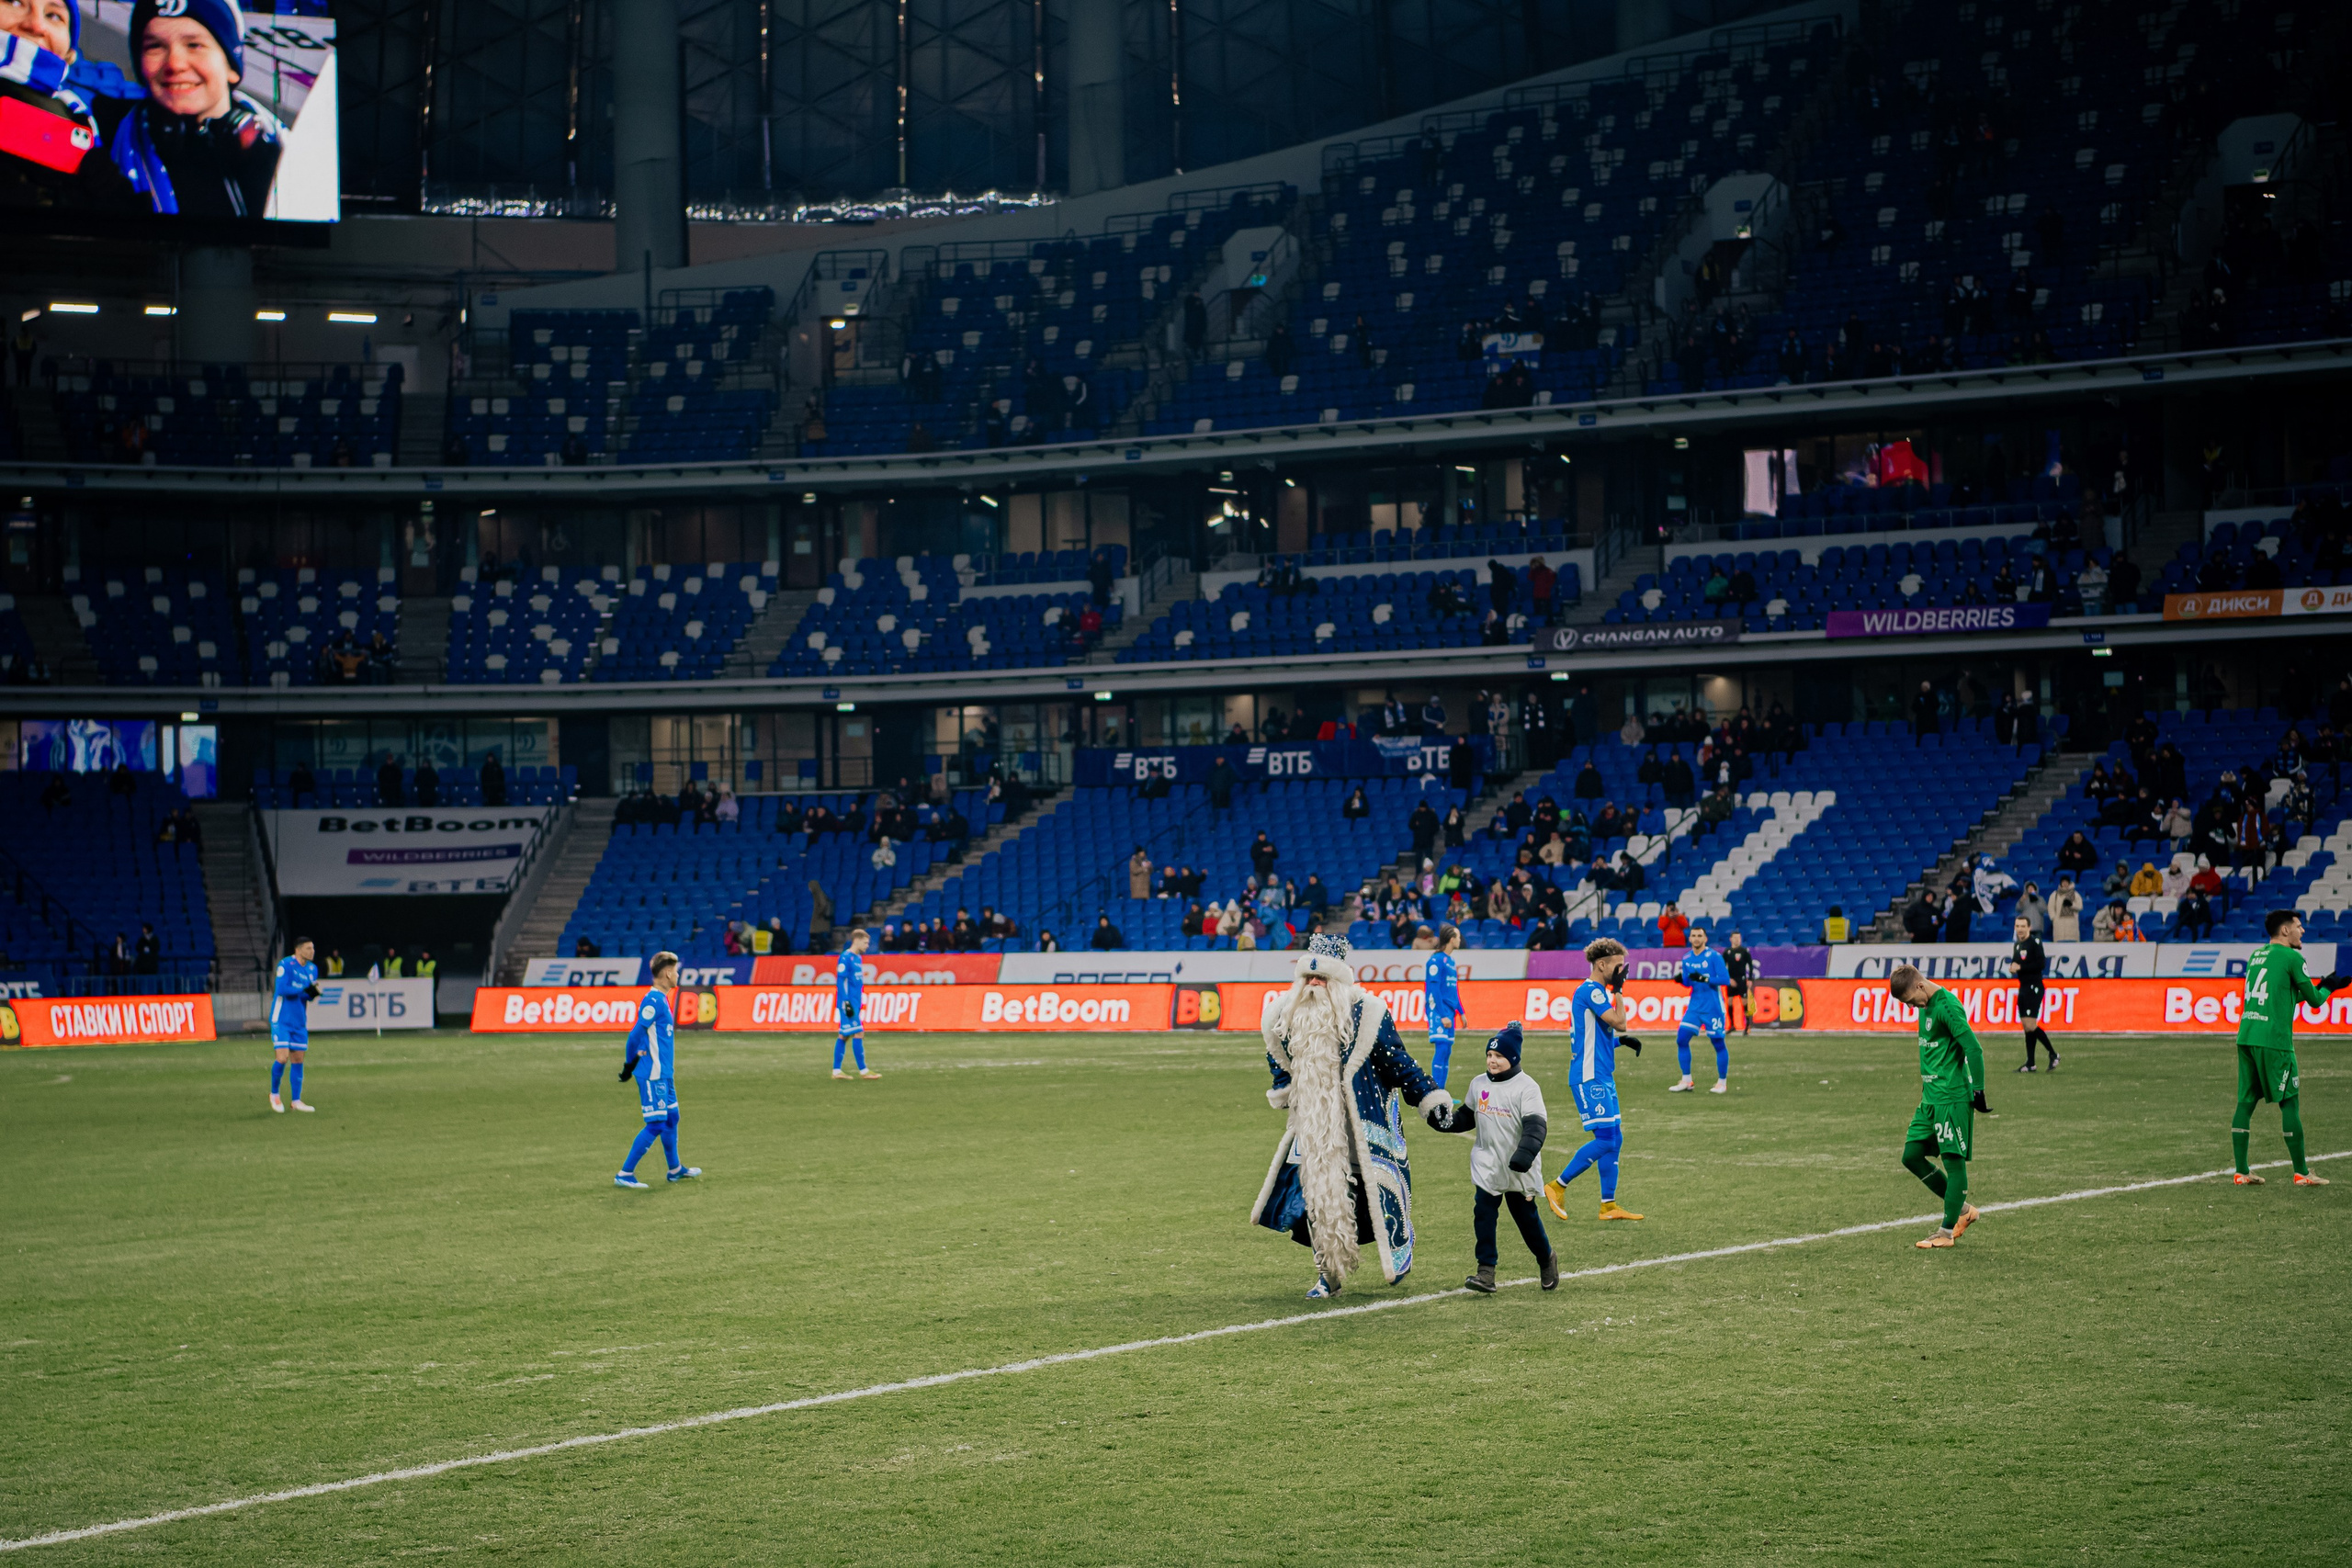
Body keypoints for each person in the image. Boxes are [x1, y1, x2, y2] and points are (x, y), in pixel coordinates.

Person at [1252, 933, 1458, 1299]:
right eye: (1309, 978)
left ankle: (1398, 1252)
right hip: (1315, 1126)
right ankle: (1327, 1273)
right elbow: (1279, 1059)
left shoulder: (1368, 1013)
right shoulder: (1282, 1015)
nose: (1314, 985)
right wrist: (1285, 1088)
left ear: (1338, 981)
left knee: (1379, 1194)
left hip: (1365, 1122)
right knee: (1318, 1197)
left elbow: (1398, 1062)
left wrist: (1427, 1095)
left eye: (1322, 979)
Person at [104, 0, 288, 219]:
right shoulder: (104, 143)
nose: (175, 64)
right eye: (155, 47)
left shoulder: (279, 158)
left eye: (194, 45)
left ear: (231, 66)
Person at [1424, 1021, 1559, 1293]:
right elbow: (1467, 1116)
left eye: (1498, 1056)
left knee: (1526, 1219)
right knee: (1483, 1214)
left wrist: (1525, 1154)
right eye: (1489, 1055)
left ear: (1513, 1058)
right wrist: (1445, 1122)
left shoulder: (1527, 1087)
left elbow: (1536, 1126)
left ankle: (1546, 1258)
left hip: (1519, 1168)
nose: (1492, 1060)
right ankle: (1485, 1272)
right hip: (1487, 1165)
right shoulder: (1478, 1083)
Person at [2231, 910, 2347, 1187]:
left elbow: (2280, 996)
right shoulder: (2293, 958)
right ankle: (2302, 1173)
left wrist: (2314, 988)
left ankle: (2241, 1171)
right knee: (2290, 1102)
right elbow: (2316, 1001)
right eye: (2298, 926)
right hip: (2275, 1040)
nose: (2303, 930)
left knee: (2245, 1103)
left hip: (2247, 1034)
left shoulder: (2256, 956)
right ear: (2285, 930)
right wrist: (2330, 986)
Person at [1888, 964, 1990, 1249]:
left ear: (1920, 986)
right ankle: (1963, 1209)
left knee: (1953, 1162)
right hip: (1930, 1099)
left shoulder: (1947, 1006)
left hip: (1952, 1097)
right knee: (1911, 1155)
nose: (1911, 1007)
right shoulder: (1925, 1007)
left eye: (1910, 1000)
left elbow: (1974, 1048)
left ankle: (1945, 1232)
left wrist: (1978, 1089)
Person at [1544, 938, 1645, 1223]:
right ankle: (1556, 1186)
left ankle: (1608, 1205)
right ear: (1602, 965)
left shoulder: (1593, 992)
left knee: (1615, 1137)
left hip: (1600, 1074)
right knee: (1606, 1139)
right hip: (1590, 1078)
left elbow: (1591, 1039)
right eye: (1618, 966)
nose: (1622, 971)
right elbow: (1620, 1021)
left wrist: (1621, 1043)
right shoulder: (1594, 991)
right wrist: (1620, 991)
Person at [613, 952, 699, 1189]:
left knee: (672, 1117)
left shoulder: (662, 999)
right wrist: (629, 1065)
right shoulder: (653, 1001)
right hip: (653, 1074)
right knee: (656, 1124)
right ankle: (625, 1173)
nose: (678, 975)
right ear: (668, 973)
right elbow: (635, 1035)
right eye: (676, 971)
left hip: (664, 1074)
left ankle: (675, 1169)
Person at [1670, 925, 1732, 1093]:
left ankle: (1722, 1082)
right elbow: (1689, 982)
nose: (1696, 938)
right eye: (1694, 936)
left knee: (1718, 1043)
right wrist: (1681, 980)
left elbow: (1725, 980)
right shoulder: (1687, 958)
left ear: (1705, 939)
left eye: (1700, 935)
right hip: (1695, 1006)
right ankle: (1687, 1080)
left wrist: (1704, 978)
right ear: (1689, 939)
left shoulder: (1714, 957)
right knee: (1681, 1039)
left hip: (1713, 1007)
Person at [267, 936, 319, 1113]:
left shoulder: (312, 969)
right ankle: (274, 1094)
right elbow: (282, 990)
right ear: (298, 950)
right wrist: (302, 990)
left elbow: (303, 996)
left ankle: (296, 1101)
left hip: (299, 1022)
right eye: (308, 948)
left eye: (312, 948)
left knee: (298, 1060)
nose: (312, 951)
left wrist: (311, 994)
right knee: (282, 1058)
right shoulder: (285, 965)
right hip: (281, 1019)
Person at [2009, 913, 2058, 1073]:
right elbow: (2018, 963)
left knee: (2031, 1025)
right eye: (2018, 926)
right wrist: (2013, 968)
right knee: (2026, 1027)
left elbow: (2040, 964)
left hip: (2034, 987)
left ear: (2029, 927)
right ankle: (2030, 1063)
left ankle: (2053, 1054)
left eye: (2023, 926)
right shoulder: (2017, 945)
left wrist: (2020, 968)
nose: (2020, 929)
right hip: (2023, 987)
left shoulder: (2035, 943)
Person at [1422, 923, 1466, 1084]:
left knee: (1447, 1050)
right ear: (1451, 939)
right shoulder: (1435, 960)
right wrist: (1441, 1015)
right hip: (1438, 1010)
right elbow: (1433, 990)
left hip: (1449, 1010)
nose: (1460, 940)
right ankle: (1436, 1092)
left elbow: (1453, 990)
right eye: (1458, 937)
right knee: (1441, 1050)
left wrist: (1461, 1012)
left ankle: (1442, 1091)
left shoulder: (1451, 961)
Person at [832, 927, 876, 1079]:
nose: (867, 946)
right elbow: (841, 981)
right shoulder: (845, 957)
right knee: (859, 1032)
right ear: (856, 941)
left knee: (844, 1035)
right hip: (848, 1004)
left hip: (855, 1002)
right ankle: (863, 1071)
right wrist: (846, 1004)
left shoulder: (858, 958)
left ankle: (836, 1071)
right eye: (865, 942)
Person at [1722, 931, 1756, 1035]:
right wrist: (1728, 979)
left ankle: (1748, 1025)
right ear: (1730, 939)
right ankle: (1732, 1025)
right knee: (1730, 1001)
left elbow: (1750, 965)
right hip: (1731, 980)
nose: (1737, 940)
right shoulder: (1727, 952)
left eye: (1739, 938)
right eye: (1735, 938)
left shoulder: (1744, 951)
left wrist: (1750, 979)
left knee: (1744, 1002)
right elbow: (1722, 967)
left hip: (1741, 979)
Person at [2049, 875, 2084, 942]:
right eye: (2063, 882)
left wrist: (2071, 905)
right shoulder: (2055, 894)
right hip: (2059, 922)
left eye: (2066, 882)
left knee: (2072, 943)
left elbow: (2080, 906)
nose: (2065, 884)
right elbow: (2050, 907)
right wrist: (2054, 918)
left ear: (2069, 883)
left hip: (2072, 922)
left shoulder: (2075, 894)